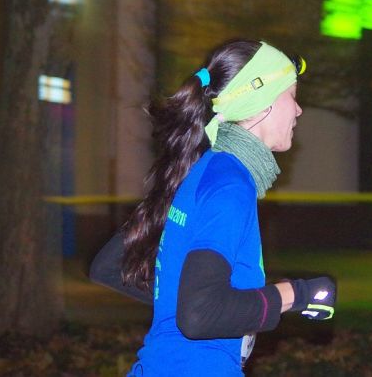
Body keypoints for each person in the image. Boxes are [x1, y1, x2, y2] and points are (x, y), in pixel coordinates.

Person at [89, 39, 336, 376]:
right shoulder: (231, 185)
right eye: (291, 96)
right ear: (261, 101)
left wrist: (219, 308)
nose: (298, 110)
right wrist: (300, 294)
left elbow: (109, 268)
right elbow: (199, 315)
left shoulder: (205, 169)